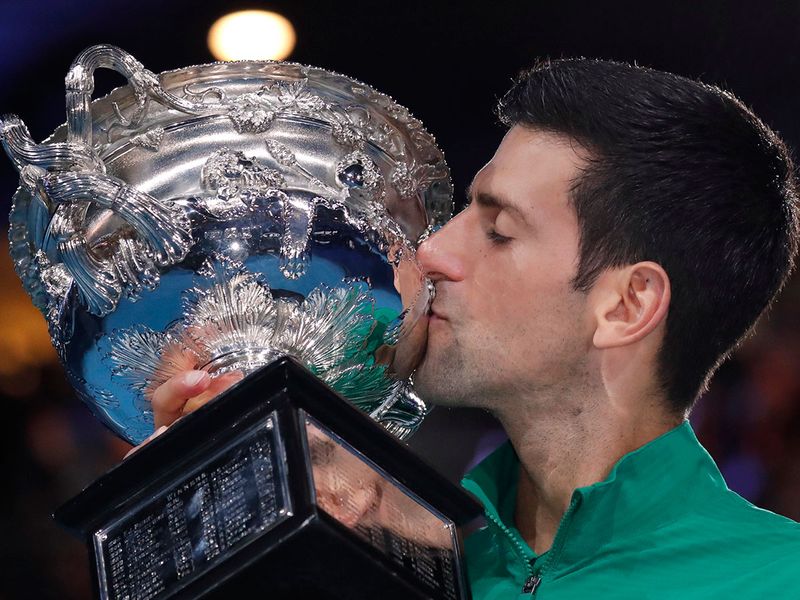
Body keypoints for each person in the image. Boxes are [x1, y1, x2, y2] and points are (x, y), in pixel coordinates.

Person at [142, 59, 800, 598]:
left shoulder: (773, 580)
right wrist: (230, 508)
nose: (434, 252)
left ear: (626, 305)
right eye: (463, 212)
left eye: (498, 230)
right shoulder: (413, 551)